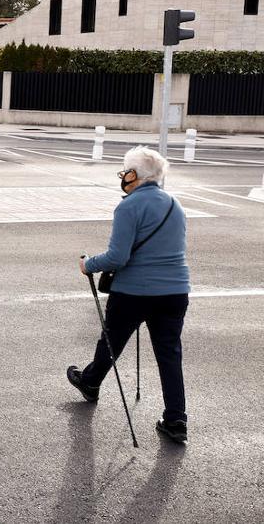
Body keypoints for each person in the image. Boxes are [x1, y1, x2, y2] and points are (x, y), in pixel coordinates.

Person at [68, 146, 191, 445]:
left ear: (135, 175)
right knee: (170, 354)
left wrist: (89, 264)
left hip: (134, 292)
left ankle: (91, 382)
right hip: (175, 290)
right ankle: (176, 420)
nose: (123, 176)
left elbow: (118, 257)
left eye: (126, 171)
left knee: (111, 341)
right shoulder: (175, 204)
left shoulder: (129, 206)